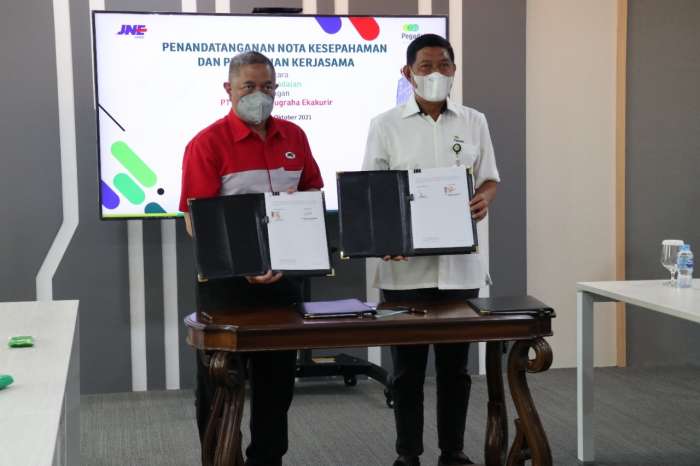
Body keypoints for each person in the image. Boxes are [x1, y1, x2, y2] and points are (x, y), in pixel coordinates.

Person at [179, 51, 323, 466]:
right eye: (249, 86)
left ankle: (267, 460)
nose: (260, 94)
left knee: (277, 387)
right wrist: (244, 266)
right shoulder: (206, 143)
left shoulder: (294, 137)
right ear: (229, 89)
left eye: (267, 87)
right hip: (227, 287)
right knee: (220, 386)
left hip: (284, 282)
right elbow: (197, 221)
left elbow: (312, 195)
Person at [362, 34, 500, 466]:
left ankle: (452, 452)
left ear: (454, 70)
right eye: (425, 66)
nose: (435, 73)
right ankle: (408, 454)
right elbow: (373, 192)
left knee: (456, 370)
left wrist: (484, 199)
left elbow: (489, 178)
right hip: (405, 272)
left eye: (444, 65)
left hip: (460, 269)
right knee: (407, 371)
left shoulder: (474, 121)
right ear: (408, 73)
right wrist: (386, 238)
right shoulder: (385, 124)